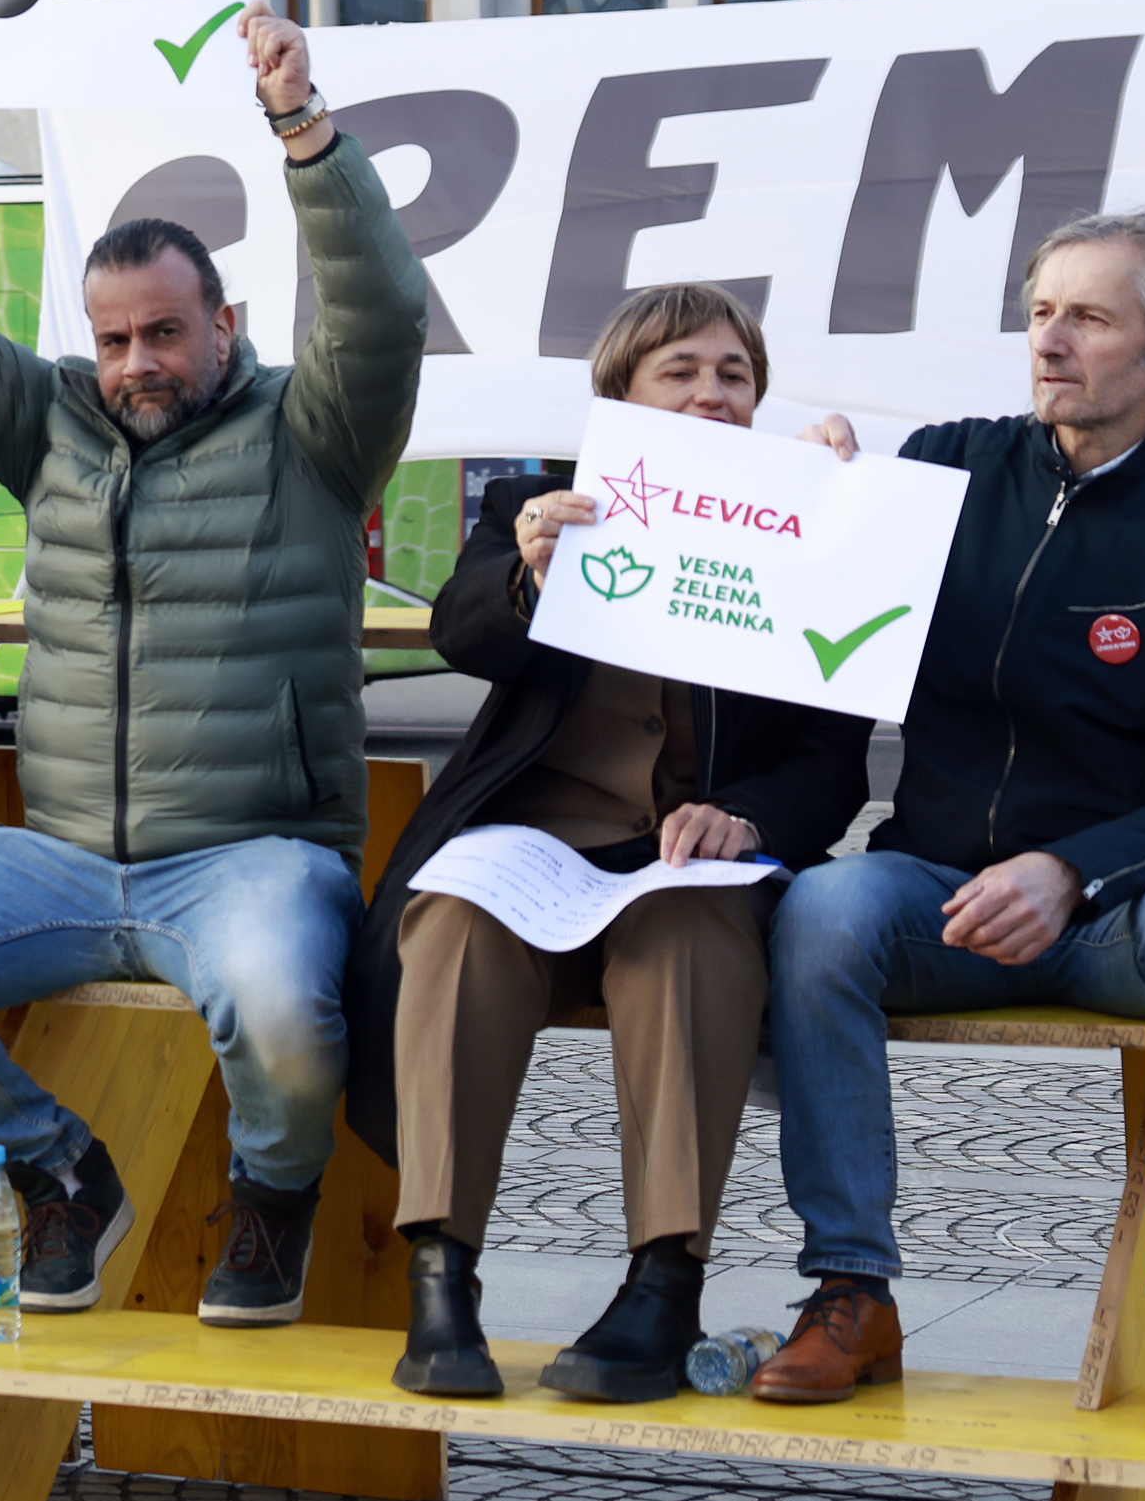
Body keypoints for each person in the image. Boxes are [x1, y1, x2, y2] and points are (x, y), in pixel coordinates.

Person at [0, 8, 424, 1329]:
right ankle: (57, 1167)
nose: (135, 363)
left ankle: (272, 1196)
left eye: (163, 333)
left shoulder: (313, 436)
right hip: (63, 854)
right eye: (112, 337)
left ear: (225, 323)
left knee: (282, 1008)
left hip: (255, 853)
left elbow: (379, 312)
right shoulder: (54, 427)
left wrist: (302, 129)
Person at [754, 212, 1145, 1439]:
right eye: (1041, 309)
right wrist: (808, 498)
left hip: (1124, 910)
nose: (1048, 340)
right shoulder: (947, 466)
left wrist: (1073, 869)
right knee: (822, 906)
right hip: (939, 887)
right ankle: (851, 1288)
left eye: (1088, 316)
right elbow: (790, 619)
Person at [349, 284, 871, 1401]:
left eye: (734, 373)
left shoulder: (805, 525)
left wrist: (753, 816)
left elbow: (832, 759)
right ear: (622, 393)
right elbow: (464, 630)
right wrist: (527, 568)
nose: (713, 393)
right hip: (538, 841)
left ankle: (662, 1282)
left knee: (685, 930)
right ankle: (441, 1274)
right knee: (452, 922)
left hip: (691, 861)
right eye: (681, 369)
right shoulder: (542, 505)